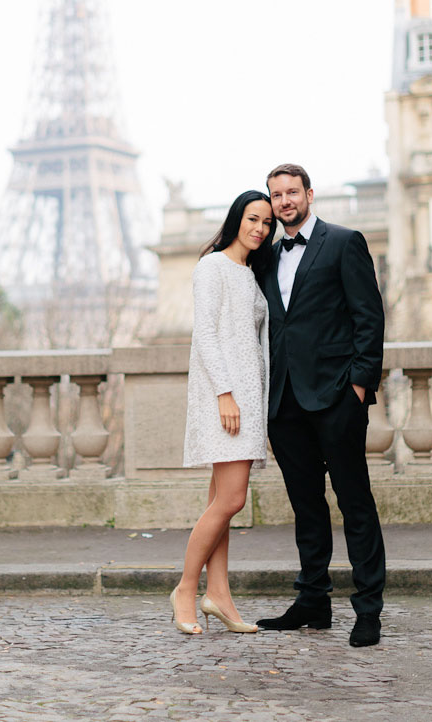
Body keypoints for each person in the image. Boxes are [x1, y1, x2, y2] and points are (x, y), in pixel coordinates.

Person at [256, 163, 386, 648]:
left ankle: (368, 610)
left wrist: (358, 387)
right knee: (306, 506)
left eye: (292, 192)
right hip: (285, 401)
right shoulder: (266, 258)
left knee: (355, 504)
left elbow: (368, 318)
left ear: (309, 194)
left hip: (336, 397)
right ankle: (313, 602)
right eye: (276, 195)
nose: (285, 201)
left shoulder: (343, 241)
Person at [171, 189, 276, 635]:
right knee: (232, 500)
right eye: (253, 218)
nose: (259, 228)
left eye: (267, 223)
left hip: (248, 401)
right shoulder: (212, 267)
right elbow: (206, 337)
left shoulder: (248, 273)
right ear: (236, 218)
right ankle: (184, 588)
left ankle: (219, 595)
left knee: (221, 503)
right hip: (228, 400)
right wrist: (226, 394)